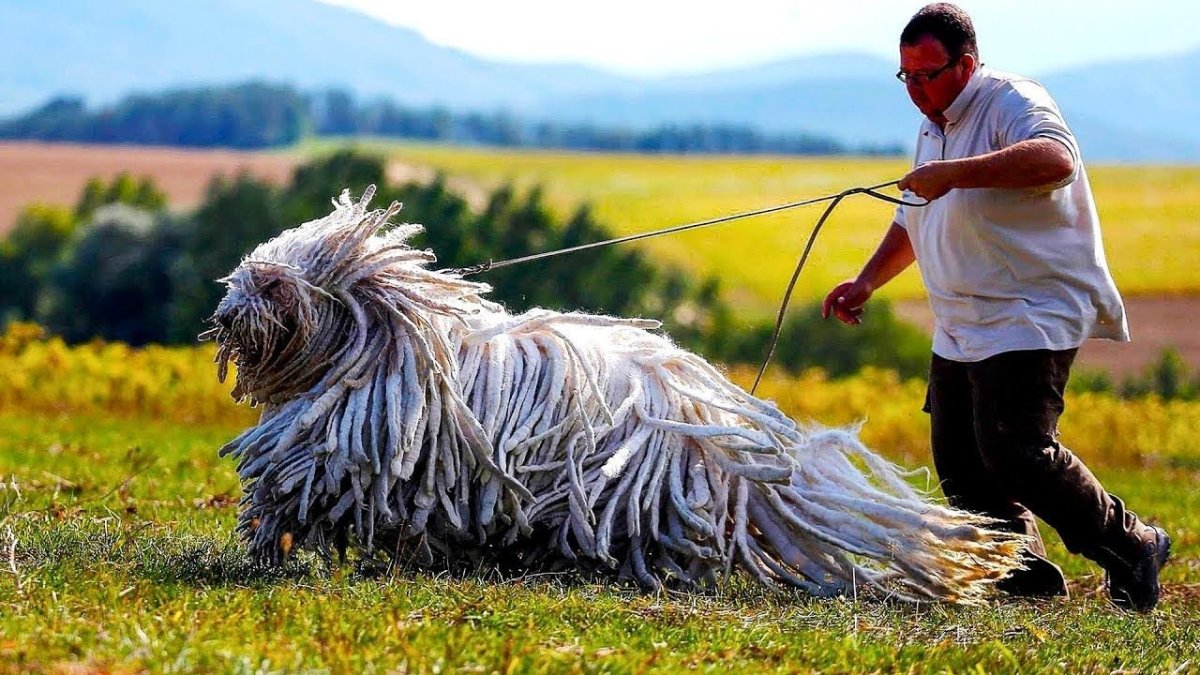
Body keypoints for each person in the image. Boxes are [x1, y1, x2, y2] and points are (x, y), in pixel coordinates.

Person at [821, 2, 1170, 611]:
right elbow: (915, 219)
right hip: (961, 320)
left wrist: (954, 173)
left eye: (928, 75)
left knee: (1013, 447)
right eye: (907, 77)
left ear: (968, 63)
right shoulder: (933, 122)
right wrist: (867, 281)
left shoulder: (1012, 101)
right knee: (959, 461)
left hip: (1029, 308)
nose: (917, 90)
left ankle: (1132, 544)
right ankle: (1019, 571)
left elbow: (1056, 160)